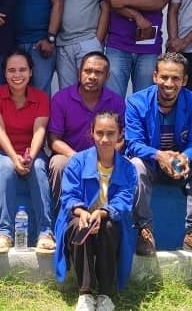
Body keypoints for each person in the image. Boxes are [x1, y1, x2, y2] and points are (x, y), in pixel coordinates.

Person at [125, 52, 192, 259]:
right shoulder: (137, 102)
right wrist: (159, 156)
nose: (169, 83)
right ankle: (143, 230)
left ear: (184, 80)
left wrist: (184, 158)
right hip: (152, 165)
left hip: (181, 166)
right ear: (155, 76)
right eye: (164, 77)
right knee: (136, 165)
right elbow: (133, 143)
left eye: (175, 78)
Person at [54, 111, 137, 311]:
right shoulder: (77, 162)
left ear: (120, 135)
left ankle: (106, 294)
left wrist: (102, 213)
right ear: (91, 133)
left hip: (110, 220)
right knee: (78, 226)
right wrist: (82, 212)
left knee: (108, 226)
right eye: (99, 133)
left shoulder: (128, 168)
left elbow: (125, 200)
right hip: (79, 216)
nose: (105, 139)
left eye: (111, 133)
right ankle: (85, 293)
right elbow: (69, 195)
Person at [0, 49, 55, 254]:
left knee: (40, 166)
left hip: (31, 151)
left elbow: (39, 130)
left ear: (31, 72)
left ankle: (45, 232)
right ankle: (4, 233)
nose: (17, 75)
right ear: (5, 73)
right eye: (12, 70)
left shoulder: (41, 98)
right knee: (6, 166)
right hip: (0, 152)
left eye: (23, 70)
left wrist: (29, 157)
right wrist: (14, 157)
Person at [48, 52, 125, 215]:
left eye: (98, 72)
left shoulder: (116, 101)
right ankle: (63, 217)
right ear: (79, 73)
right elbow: (54, 140)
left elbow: (121, 139)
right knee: (57, 163)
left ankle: (108, 217)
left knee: (125, 165)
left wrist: (102, 159)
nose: (92, 76)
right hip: (71, 157)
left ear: (107, 76)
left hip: (105, 158)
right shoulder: (61, 98)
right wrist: (80, 159)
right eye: (87, 71)